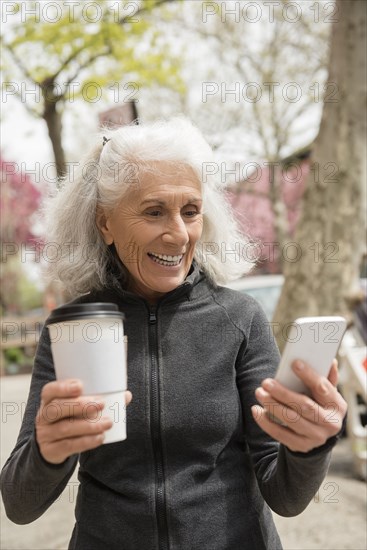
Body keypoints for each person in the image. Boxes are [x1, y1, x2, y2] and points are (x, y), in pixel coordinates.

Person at [1, 117, 347, 550]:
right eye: (153, 211)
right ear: (105, 223)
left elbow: (285, 496)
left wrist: (309, 447)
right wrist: (48, 451)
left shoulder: (240, 319)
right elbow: (19, 504)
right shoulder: (74, 328)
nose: (179, 234)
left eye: (190, 211)